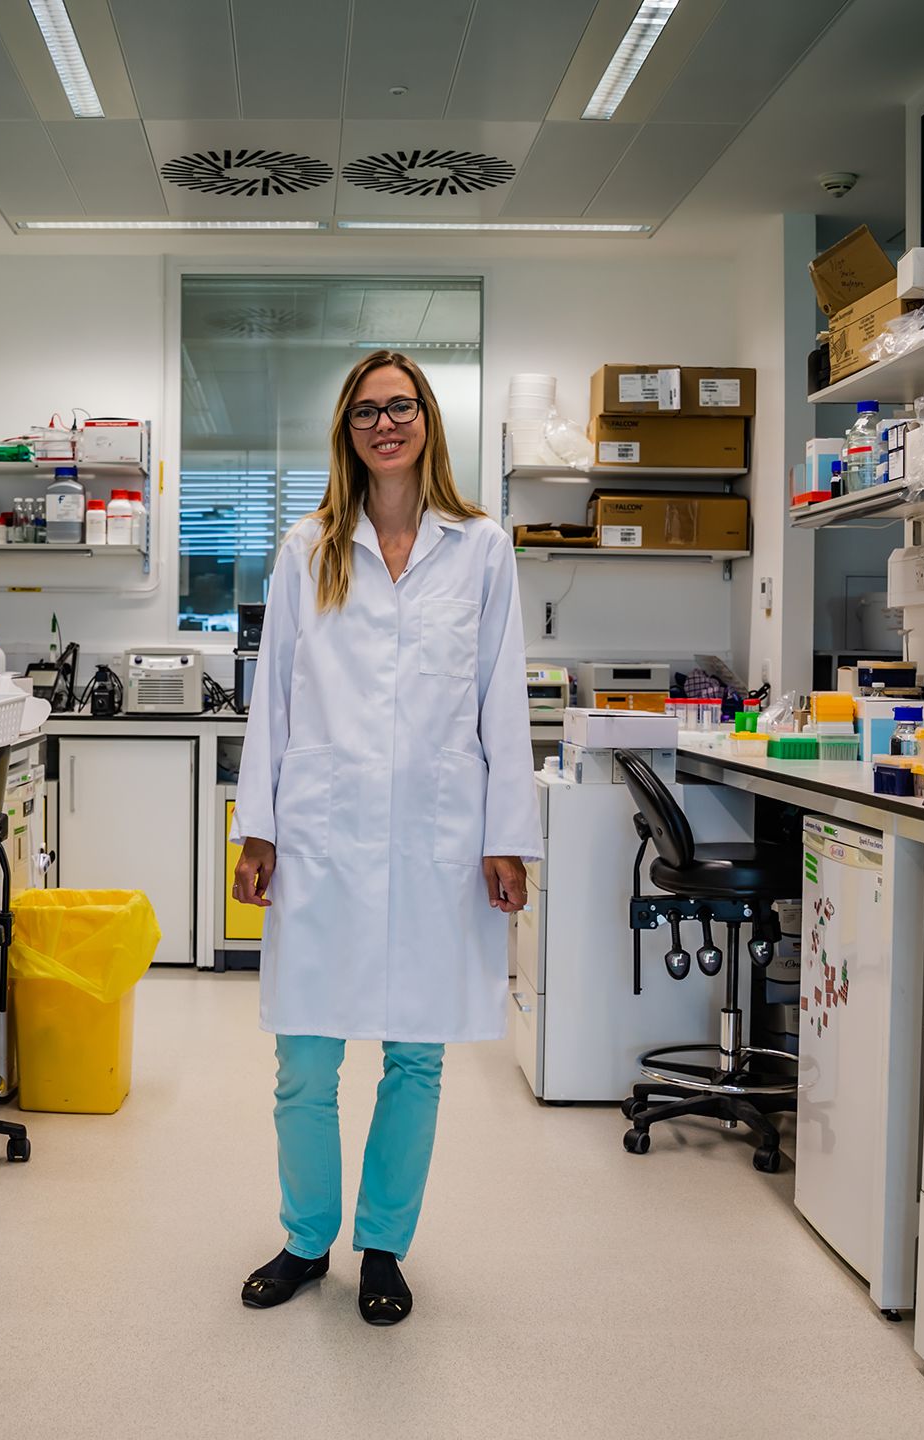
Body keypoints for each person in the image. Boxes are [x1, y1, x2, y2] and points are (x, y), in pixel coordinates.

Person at [228, 349, 538, 1326]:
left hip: (437, 837)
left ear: (427, 421)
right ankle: (305, 1238)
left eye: (401, 406)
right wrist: (259, 828)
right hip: (323, 836)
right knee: (305, 1062)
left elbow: (502, 700)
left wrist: (506, 836)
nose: (385, 423)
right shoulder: (305, 550)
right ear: (346, 430)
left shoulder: (481, 549)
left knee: (416, 1056)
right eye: (366, 410)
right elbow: (271, 699)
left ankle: (383, 1247)